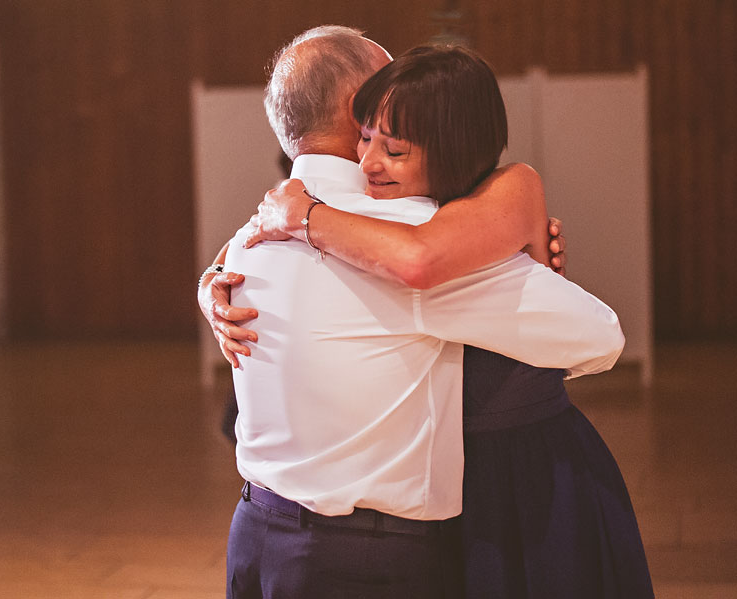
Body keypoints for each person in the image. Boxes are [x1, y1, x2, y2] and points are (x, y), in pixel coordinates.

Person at [205, 27, 633, 598]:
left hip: (255, 537)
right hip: (364, 562)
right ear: (362, 107)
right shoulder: (404, 237)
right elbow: (598, 335)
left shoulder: (248, 238)